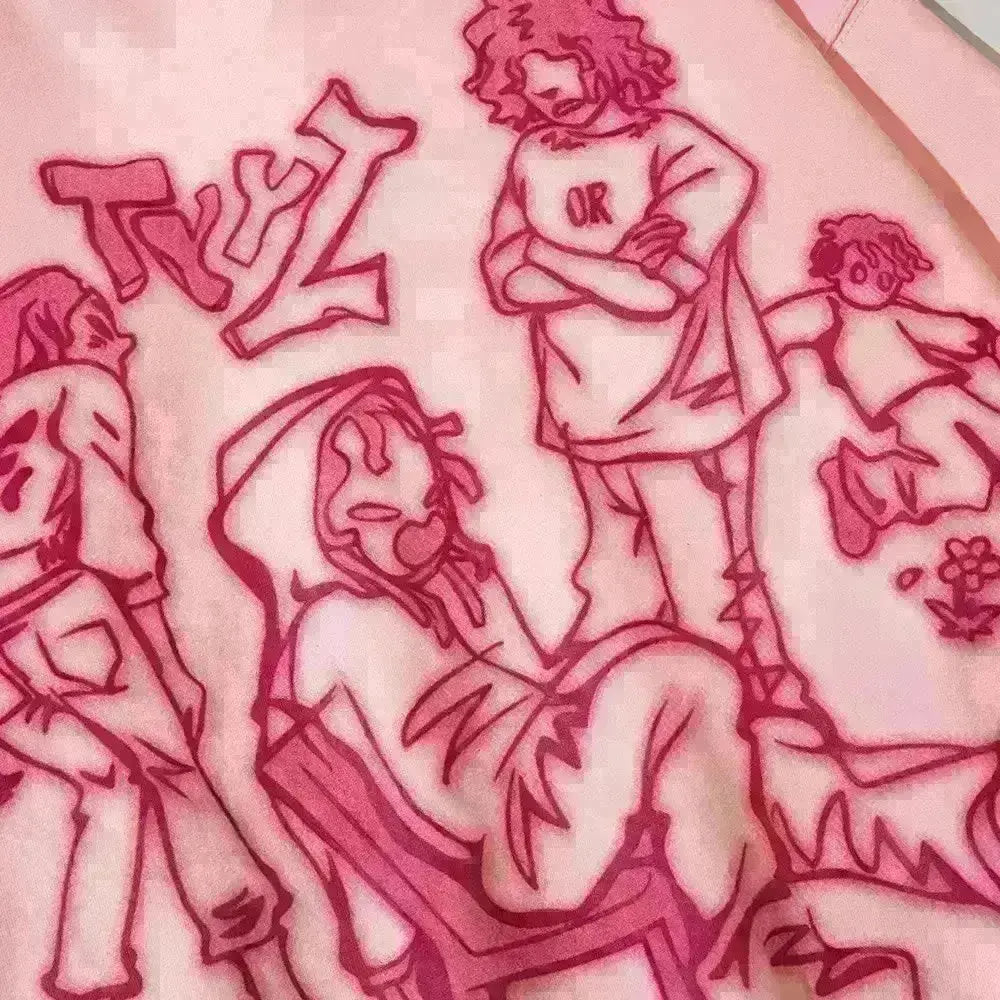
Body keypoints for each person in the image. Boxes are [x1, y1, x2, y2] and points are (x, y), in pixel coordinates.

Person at [210, 366, 788, 999]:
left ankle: (745, 956)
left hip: (546, 785)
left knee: (680, 692)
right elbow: (313, 791)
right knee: (676, 677)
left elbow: (537, 691)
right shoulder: (331, 622)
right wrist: (384, 957)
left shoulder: (458, 585)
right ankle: (748, 955)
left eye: (428, 493)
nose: (421, 519)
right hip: (521, 842)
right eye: (376, 505)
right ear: (321, 524)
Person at [0, 266, 314, 1000]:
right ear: (51, 334)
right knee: (182, 785)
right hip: (62, 614)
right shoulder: (81, 388)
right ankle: (267, 972)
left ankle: (88, 976)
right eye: (95, 324)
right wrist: (170, 666)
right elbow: (115, 534)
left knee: (108, 781)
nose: (121, 341)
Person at [465, 0, 792, 703]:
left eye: (561, 72)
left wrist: (547, 254)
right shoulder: (533, 155)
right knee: (619, 593)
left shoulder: (692, 153)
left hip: (687, 412)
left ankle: (770, 727)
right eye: (527, 85)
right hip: (584, 415)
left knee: (717, 602)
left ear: (601, 53)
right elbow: (504, 280)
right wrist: (603, 267)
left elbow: (654, 294)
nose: (547, 98)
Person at [764, 212, 1000, 559]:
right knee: (969, 479)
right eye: (859, 273)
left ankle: (872, 489)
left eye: (886, 278)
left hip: (942, 397)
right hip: (915, 407)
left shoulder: (900, 314)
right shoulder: (828, 310)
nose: (873, 287)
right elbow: (770, 328)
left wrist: (985, 340)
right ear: (833, 268)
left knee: (975, 474)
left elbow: (947, 329)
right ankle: (868, 487)